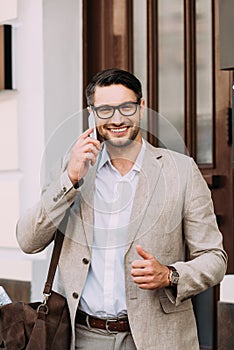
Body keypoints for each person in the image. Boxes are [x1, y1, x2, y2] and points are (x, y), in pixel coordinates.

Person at [16, 68, 227, 350]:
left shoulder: (181, 171)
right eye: (105, 110)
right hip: (83, 337)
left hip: (159, 338)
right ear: (92, 113)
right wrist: (70, 179)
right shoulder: (74, 167)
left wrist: (170, 275)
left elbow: (214, 258)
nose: (116, 119)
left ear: (141, 108)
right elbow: (28, 241)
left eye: (126, 107)